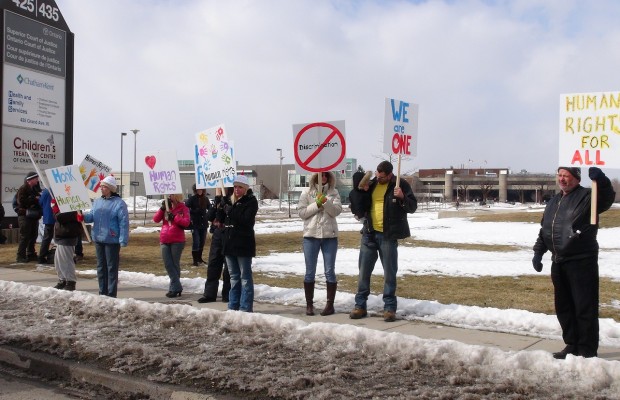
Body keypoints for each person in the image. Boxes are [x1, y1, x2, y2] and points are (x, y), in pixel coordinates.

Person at [532, 166, 615, 359]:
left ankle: (586, 349)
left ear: (576, 178)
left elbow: (606, 198)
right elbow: (544, 229)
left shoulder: (588, 196)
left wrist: (601, 179)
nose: (562, 179)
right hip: (559, 262)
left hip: (581, 261)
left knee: (584, 307)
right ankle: (572, 344)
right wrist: (538, 252)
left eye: (566, 176)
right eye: (559, 175)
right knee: (565, 307)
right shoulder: (553, 201)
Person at [349, 161, 418, 322]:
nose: (378, 179)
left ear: (390, 174)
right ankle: (360, 305)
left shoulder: (400, 185)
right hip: (369, 234)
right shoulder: (372, 184)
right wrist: (360, 192)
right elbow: (358, 201)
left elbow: (413, 207)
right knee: (363, 272)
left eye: (382, 177)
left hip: (388, 235)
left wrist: (401, 197)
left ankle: (389, 308)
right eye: (377, 176)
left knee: (389, 274)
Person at [297, 171, 342, 316]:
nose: (323, 178)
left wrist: (325, 201)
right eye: (321, 175)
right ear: (315, 177)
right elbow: (302, 213)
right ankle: (309, 305)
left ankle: (330, 305)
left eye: (326, 176)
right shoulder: (306, 193)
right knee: (310, 271)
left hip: (330, 236)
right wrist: (317, 203)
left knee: (329, 271)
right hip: (311, 235)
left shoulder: (334, 193)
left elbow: (336, 211)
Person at [83, 175, 129, 298]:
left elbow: (124, 223)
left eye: (104, 186)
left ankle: (111, 293)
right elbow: (91, 216)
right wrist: (82, 216)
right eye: (101, 186)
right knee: (100, 267)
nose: (101, 188)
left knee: (111, 268)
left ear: (110, 188)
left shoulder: (119, 203)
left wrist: (123, 240)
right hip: (98, 238)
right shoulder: (98, 202)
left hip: (111, 240)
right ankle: (102, 292)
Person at [222, 175, 258, 312]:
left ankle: (245, 306)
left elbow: (246, 220)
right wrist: (221, 207)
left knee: (245, 278)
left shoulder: (251, 201)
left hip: (243, 244)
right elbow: (219, 219)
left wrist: (231, 211)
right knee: (234, 277)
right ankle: (233, 304)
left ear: (245, 188)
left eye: (240, 187)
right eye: (235, 187)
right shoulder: (231, 201)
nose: (236, 189)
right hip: (229, 243)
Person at [197, 187, 232, 303]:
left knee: (228, 267)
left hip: (229, 234)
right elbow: (210, 217)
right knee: (213, 264)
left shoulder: (233, 199)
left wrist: (226, 204)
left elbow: (229, 216)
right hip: (217, 234)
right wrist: (217, 202)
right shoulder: (218, 199)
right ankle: (209, 294)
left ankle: (227, 294)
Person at [153, 193, 190, 297]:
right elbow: (156, 219)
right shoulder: (166, 207)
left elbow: (186, 222)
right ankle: (177, 286)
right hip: (165, 238)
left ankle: (173, 288)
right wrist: (162, 208)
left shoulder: (183, 208)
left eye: (172, 194)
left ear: (177, 196)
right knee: (168, 264)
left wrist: (175, 217)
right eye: (168, 195)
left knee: (174, 264)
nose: (169, 196)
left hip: (177, 240)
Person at [50, 198, 83, 291]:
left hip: (68, 234)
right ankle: (62, 279)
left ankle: (70, 281)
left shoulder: (73, 203)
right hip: (61, 234)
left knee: (66, 260)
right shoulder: (62, 201)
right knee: (58, 261)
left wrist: (56, 210)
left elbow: (60, 217)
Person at [15, 171, 42, 263]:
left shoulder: (34, 189)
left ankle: (31, 253)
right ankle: (20, 256)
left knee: (33, 235)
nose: (37, 180)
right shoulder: (23, 189)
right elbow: (21, 201)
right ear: (30, 180)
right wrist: (34, 199)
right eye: (36, 178)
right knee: (25, 236)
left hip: (33, 216)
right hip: (24, 216)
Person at [349, 170, 376, 249]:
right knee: (368, 225)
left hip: (367, 210)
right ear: (360, 185)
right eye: (365, 185)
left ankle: (364, 228)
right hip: (361, 213)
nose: (367, 187)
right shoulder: (356, 194)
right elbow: (357, 206)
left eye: (368, 184)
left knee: (369, 222)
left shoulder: (365, 191)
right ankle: (368, 240)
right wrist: (361, 216)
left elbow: (373, 182)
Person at [185, 184, 211, 266]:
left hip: (204, 223)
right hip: (195, 223)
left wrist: (209, 214)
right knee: (196, 241)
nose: (200, 191)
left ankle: (199, 258)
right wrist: (193, 211)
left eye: (201, 189)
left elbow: (210, 208)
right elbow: (186, 208)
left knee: (202, 242)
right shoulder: (192, 198)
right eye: (198, 190)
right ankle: (195, 260)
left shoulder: (205, 199)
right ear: (195, 190)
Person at [38, 187, 55, 264]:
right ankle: (42, 256)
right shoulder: (56, 190)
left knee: (47, 237)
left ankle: (42, 255)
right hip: (55, 216)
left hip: (48, 217)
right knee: (48, 237)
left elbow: (40, 202)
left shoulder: (46, 191)